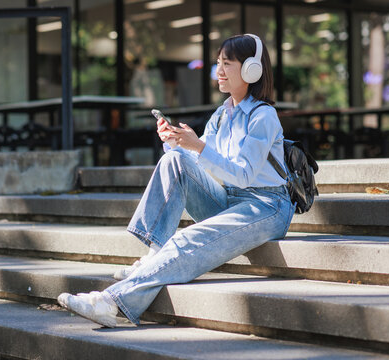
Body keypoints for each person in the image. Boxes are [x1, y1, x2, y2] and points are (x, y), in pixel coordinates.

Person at [58, 34, 296, 327]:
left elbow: (244, 174)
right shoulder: (223, 114)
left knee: (187, 237)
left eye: (227, 63)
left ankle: (110, 303)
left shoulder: (264, 116)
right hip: (229, 199)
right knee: (173, 159)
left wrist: (197, 146)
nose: (218, 71)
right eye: (217, 63)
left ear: (252, 70)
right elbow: (200, 161)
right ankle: (154, 253)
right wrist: (176, 143)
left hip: (266, 206)